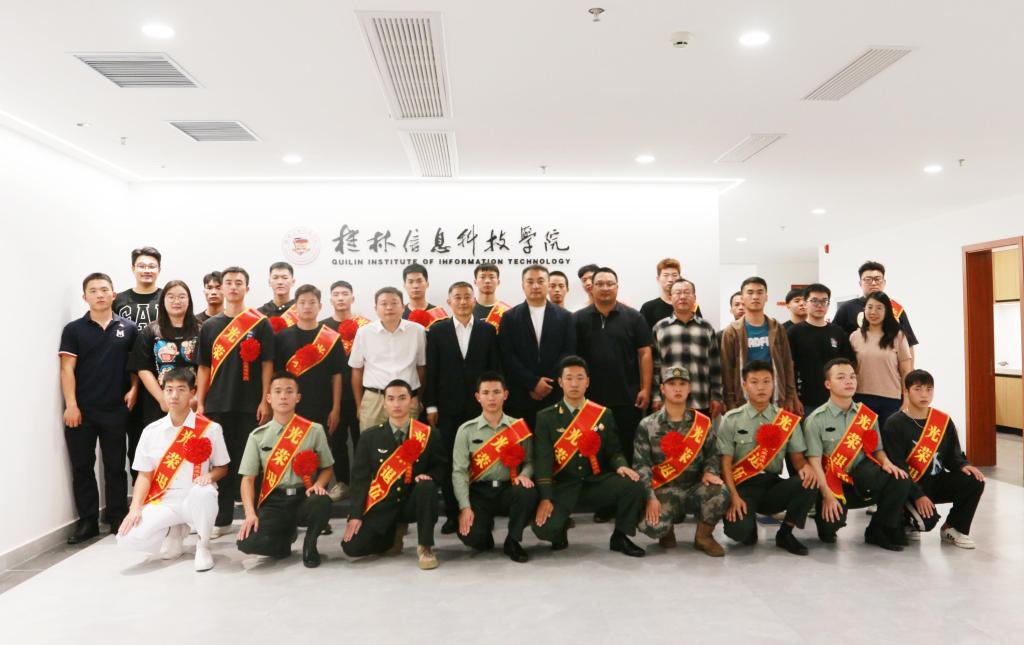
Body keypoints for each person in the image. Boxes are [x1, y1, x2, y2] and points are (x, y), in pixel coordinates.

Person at [531, 356, 646, 557]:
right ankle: (561, 526)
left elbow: (614, 451)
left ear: (588, 382)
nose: (574, 384)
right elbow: (543, 461)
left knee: (633, 484)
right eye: (569, 378)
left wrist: (620, 465)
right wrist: (546, 498)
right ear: (560, 382)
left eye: (580, 378)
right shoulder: (546, 417)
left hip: (595, 482)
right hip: (564, 486)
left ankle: (620, 536)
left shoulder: (603, 414)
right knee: (544, 529)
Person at [116, 368, 228, 571]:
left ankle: (203, 545)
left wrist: (209, 476)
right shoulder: (151, 432)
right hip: (164, 500)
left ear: (192, 392)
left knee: (204, 493)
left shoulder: (211, 429)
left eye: (181, 389)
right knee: (126, 538)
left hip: (194, 497)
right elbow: (144, 475)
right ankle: (174, 532)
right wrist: (135, 508)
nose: (174, 395)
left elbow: (222, 467)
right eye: (169, 390)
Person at [60, 273, 139, 543]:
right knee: (82, 466)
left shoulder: (128, 328)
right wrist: (71, 405)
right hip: (81, 410)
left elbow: (135, 366)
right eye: (93, 291)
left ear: (113, 295)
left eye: (104, 290)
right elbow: (66, 369)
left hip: (116, 409)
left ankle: (117, 517)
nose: (99, 294)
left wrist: (134, 388)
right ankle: (88, 522)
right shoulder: (73, 330)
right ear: (85, 297)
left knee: (115, 466)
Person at [195, 266, 274, 535]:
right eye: (228, 282)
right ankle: (223, 519)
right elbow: (203, 367)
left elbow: (267, 364)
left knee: (252, 462)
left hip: (251, 405)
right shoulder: (210, 326)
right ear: (222, 287)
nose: (233, 287)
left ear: (247, 288)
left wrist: (265, 400)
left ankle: (257, 517)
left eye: (239, 282)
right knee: (222, 463)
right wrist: (201, 402)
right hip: (218, 404)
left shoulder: (260, 323)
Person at [803, 358, 911, 551]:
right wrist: (827, 496)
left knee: (899, 479)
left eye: (852, 377)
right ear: (828, 384)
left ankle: (879, 529)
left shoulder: (866, 415)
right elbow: (815, 463)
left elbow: (877, 450)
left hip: (864, 479)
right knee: (829, 530)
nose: (849, 381)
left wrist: (887, 463)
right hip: (834, 485)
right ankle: (826, 517)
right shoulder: (815, 420)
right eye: (841, 377)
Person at [343, 380, 445, 570]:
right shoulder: (369, 437)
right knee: (352, 547)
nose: (396, 404)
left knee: (427, 486)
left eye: (402, 398)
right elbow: (359, 480)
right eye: (391, 399)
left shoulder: (429, 434)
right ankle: (392, 536)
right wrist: (355, 515)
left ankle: (426, 546)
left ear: (412, 402)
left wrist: (429, 477)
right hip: (384, 503)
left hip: (413, 502)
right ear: (384, 403)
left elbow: (440, 467)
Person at [423, 281, 500, 534]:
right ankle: (453, 514)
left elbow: (494, 369)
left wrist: (494, 402)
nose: (463, 302)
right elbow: (431, 371)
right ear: (449, 301)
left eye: (467, 297)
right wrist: (431, 405)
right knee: (450, 461)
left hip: (481, 407)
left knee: (480, 459)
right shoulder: (437, 331)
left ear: (474, 300)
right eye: (458, 297)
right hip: (448, 408)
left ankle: (481, 511)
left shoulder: (488, 330)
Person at [718, 361, 817, 555]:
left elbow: (798, 460)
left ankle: (785, 533)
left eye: (766, 381)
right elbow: (725, 464)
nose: (761, 387)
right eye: (754, 382)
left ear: (774, 384)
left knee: (810, 481)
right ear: (744, 385)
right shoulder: (731, 419)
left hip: (772, 485)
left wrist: (805, 467)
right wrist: (733, 496)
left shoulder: (786, 420)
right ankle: (749, 526)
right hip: (742, 487)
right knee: (739, 532)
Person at [236, 372, 334, 567]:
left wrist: (319, 484)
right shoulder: (257, 436)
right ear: (269, 398)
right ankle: (284, 538)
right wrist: (250, 514)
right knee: (248, 543)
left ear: (297, 397)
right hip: (275, 501)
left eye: (289, 391)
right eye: (278, 391)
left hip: (304, 496)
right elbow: (247, 479)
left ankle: (310, 546)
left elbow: (327, 468)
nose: (283, 396)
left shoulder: (313, 430)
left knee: (322, 501)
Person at [884, 370, 985, 548]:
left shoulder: (942, 420)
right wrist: (918, 495)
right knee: (926, 522)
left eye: (929, 389)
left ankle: (952, 528)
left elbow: (953, 456)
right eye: (918, 389)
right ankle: (906, 519)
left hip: (935, 481)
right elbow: (897, 466)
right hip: (908, 486)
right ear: (906, 392)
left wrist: (963, 465)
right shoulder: (895, 423)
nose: (924, 394)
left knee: (974, 480)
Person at [635, 366, 729, 556]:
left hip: (695, 488)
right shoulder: (647, 425)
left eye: (682, 384)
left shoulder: (702, 422)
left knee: (720, 491)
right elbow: (641, 466)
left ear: (689, 388)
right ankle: (666, 531)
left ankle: (704, 537)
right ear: (662, 389)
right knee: (652, 526)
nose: (677, 389)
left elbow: (712, 454)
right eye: (671, 384)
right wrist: (650, 497)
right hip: (664, 490)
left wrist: (710, 471)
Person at [451, 373, 537, 562]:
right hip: (479, 492)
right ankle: (484, 533)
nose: (491, 398)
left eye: (496, 392)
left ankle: (513, 540)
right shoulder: (466, 430)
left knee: (527, 492)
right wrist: (465, 507)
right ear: (478, 397)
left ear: (505, 394)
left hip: (508, 488)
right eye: (486, 393)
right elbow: (459, 472)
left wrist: (524, 475)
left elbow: (530, 461)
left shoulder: (518, 427)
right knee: (472, 537)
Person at [274, 284, 346, 501]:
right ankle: (292, 498)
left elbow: (337, 376)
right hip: (291, 407)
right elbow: (276, 376)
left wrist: (336, 408)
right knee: (290, 450)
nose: (307, 306)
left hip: (322, 406)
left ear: (320, 306)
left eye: (312, 302)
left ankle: (318, 499)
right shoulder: (282, 337)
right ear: (295, 306)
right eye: (302, 302)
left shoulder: (331, 338)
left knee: (321, 453)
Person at [574, 266, 653, 464]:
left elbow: (645, 353)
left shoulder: (634, 317)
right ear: (592, 288)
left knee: (627, 447)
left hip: (628, 397)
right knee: (593, 450)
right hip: (590, 398)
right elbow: (573, 359)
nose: (605, 288)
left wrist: (646, 389)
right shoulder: (578, 319)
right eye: (600, 284)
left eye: (610, 284)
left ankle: (627, 482)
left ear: (617, 287)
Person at [498, 265, 576, 429]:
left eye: (540, 281)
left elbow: (568, 352)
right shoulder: (509, 317)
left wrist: (546, 384)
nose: (535, 286)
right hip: (521, 394)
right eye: (530, 281)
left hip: (555, 393)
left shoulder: (565, 317)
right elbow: (507, 355)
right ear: (523, 285)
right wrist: (532, 383)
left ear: (548, 284)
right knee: (523, 442)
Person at [129, 280, 201, 442]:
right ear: (163, 301)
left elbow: (205, 366)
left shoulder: (201, 329)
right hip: (158, 403)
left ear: (189, 300)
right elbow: (142, 368)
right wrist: (162, 398)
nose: (176, 301)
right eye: (171, 297)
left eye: (182, 296)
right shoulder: (151, 331)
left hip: (192, 402)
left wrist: (196, 397)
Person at [319, 280, 372, 499]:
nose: (341, 298)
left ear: (353, 298)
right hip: (333, 397)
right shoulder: (322, 328)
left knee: (363, 442)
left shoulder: (366, 326)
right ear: (330, 299)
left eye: (345, 294)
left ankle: (363, 485)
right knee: (337, 443)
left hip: (363, 395)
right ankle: (342, 483)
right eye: (336, 294)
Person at [349, 287, 427, 430]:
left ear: (403, 307)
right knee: (371, 442)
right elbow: (357, 370)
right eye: (384, 304)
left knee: (407, 442)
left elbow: (421, 367)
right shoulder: (364, 332)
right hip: (374, 399)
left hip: (407, 398)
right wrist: (359, 404)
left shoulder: (417, 331)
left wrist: (418, 398)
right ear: (376, 308)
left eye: (394, 303)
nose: (389, 307)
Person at [721, 277, 800, 413]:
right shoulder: (732, 331)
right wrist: (730, 401)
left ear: (766, 297)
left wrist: (789, 397)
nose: (755, 297)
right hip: (743, 399)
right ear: (743, 298)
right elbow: (726, 369)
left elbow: (787, 363)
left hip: (775, 397)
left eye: (760, 292)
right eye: (750, 292)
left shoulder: (777, 328)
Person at [651, 278, 723, 418]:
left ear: (694, 298)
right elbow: (655, 366)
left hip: (700, 400)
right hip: (668, 403)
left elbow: (715, 366)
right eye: (678, 293)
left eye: (687, 292)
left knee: (701, 433)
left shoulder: (706, 327)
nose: (683, 296)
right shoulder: (660, 328)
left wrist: (716, 396)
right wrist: (655, 396)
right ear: (670, 298)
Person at [787, 283, 855, 413]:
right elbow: (789, 368)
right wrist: (793, 397)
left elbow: (848, 364)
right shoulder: (794, 332)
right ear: (805, 303)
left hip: (836, 400)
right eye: (814, 301)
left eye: (824, 301)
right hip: (805, 400)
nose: (819, 305)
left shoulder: (838, 332)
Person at [849, 292, 913, 427]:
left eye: (879, 308)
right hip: (861, 397)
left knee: (889, 438)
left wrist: (907, 399)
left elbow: (906, 371)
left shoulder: (898, 336)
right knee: (865, 438)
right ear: (864, 310)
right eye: (870, 307)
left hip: (891, 399)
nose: (873, 312)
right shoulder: (855, 336)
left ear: (887, 311)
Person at [834, 260, 919, 358]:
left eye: (877, 279)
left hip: (890, 365)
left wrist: (910, 367)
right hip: (856, 365)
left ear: (884, 282)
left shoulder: (896, 309)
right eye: (868, 279)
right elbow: (834, 339)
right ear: (860, 283)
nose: (873, 283)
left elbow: (909, 344)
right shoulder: (847, 309)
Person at [114, 246, 162, 331]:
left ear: (159, 269)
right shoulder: (117, 300)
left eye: (152, 266)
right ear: (133, 269)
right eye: (141, 266)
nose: (147, 270)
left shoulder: (168, 298)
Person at [639, 258, 681, 330]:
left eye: (674, 275)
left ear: (680, 278)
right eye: (666, 275)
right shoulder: (648, 308)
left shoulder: (690, 305)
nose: (670, 279)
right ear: (658, 279)